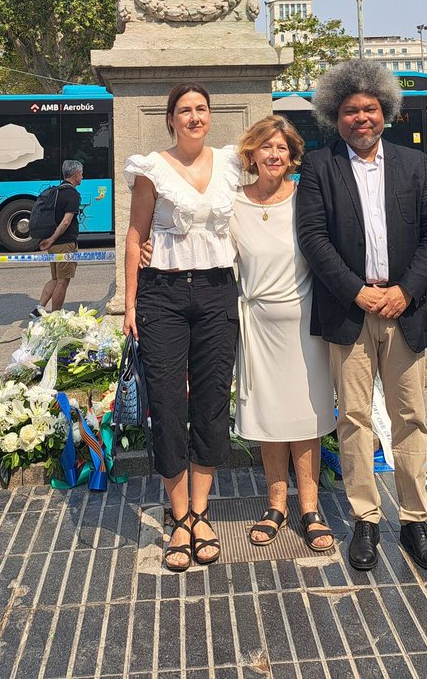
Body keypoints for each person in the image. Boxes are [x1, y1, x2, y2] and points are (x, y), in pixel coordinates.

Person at [296, 60, 427, 573]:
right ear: (333, 116)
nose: (361, 118)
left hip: (406, 309)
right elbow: (313, 238)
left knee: (410, 417)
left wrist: (406, 290)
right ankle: (365, 518)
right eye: (350, 110)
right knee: (354, 418)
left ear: (385, 112)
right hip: (350, 311)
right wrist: (357, 291)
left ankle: (414, 520)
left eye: (369, 109)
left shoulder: (414, 164)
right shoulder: (319, 167)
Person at [124, 84, 241, 572]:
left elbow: (274, 180)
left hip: (217, 292)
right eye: (185, 110)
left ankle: (201, 512)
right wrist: (130, 304)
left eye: (201, 109)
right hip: (163, 295)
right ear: (170, 119)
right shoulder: (151, 168)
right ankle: (178, 518)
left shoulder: (232, 162)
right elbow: (136, 235)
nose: (194, 117)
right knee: (169, 404)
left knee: (212, 401)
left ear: (210, 116)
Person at [231, 115, 336, 553]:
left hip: (305, 325)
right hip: (256, 326)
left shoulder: (307, 198)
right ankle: (276, 506)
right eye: (266, 147)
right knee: (269, 417)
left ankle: (310, 508)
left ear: (292, 156)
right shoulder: (233, 203)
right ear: (251, 153)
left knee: (305, 416)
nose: (274, 155)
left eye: (282, 148)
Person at [30, 160, 83, 316]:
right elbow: (66, 222)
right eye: (81, 174)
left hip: (54, 245)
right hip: (64, 243)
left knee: (55, 278)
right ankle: (55, 316)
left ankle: (39, 308)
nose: (82, 177)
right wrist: (52, 239)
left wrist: (50, 240)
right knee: (63, 281)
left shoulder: (56, 191)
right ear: (76, 174)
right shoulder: (72, 194)